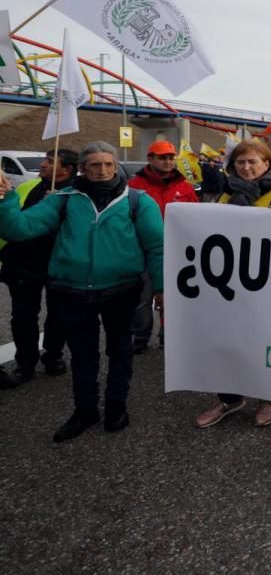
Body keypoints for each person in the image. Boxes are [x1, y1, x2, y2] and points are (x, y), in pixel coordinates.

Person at [0, 141, 163, 442]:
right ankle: (85, 410)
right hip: (71, 291)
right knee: (83, 355)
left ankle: (116, 406)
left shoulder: (139, 202)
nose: (102, 171)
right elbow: (19, 230)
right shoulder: (61, 200)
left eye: (108, 164)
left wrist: (162, 289)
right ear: (83, 169)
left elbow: (157, 248)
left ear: (116, 166)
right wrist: (6, 200)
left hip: (122, 291)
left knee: (120, 351)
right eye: (95, 165)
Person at [195, 140, 271, 430]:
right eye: (241, 162)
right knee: (227, 340)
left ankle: (269, 397)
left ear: (267, 164)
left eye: (253, 161)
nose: (246, 167)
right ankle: (229, 399)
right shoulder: (222, 193)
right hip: (228, 284)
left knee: (267, 341)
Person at [0, 149, 77, 386]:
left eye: (50, 162)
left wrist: (58, 207)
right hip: (23, 264)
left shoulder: (78, 193)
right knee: (23, 317)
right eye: (45, 160)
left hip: (58, 264)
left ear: (67, 169)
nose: (43, 165)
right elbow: (16, 221)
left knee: (59, 315)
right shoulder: (29, 187)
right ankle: (26, 363)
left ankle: (53, 356)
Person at [128, 140, 199, 352]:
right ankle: (140, 336)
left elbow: (196, 215)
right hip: (142, 251)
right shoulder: (134, 186)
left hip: (177, 252)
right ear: (150, 159)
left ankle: (167, 335)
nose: (168, 161)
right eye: (162, 157)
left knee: (172, 296)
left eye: (171, 157)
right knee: (142, 297)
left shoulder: (184, 186)